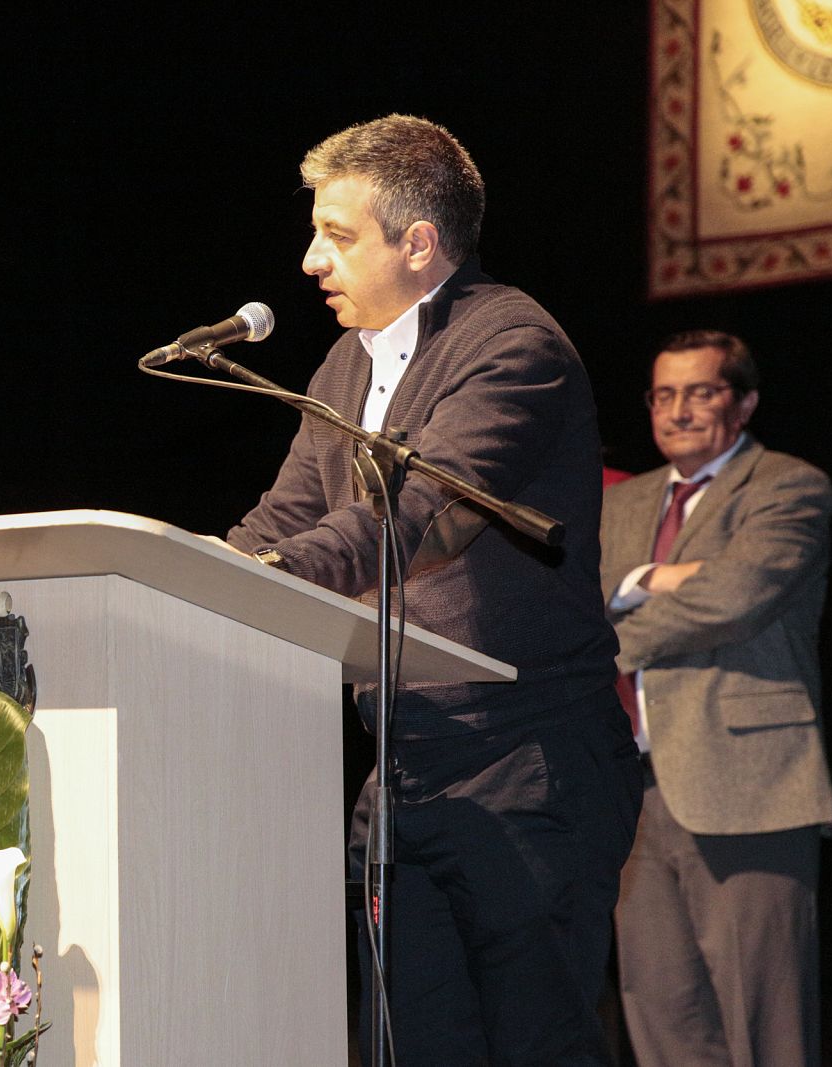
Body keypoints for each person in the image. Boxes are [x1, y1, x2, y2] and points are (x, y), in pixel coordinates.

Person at [225, 114, 640, 1064]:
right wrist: (195, 577)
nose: (311, 261)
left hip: (528, 762)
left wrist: (267, 577)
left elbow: (413, 513)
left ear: (419, 243)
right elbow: (282, 520)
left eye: (337, 236)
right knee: (411, 1045)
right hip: (403, 767)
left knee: (538, 1046)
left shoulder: (513, 344)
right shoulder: (346, 362)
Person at [601, 330, 832, 1066]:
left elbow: (732, 598)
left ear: (744, 402)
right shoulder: (621, 503)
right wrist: (652, 578)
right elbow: (583, 596)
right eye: (663, 395)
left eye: (700, 392)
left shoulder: (788, 485)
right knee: (661, 1016)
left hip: (747, 783)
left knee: (765, 1025)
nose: (678, 411)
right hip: (630, 791)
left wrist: (618, 620)